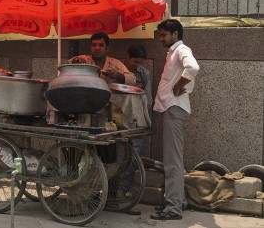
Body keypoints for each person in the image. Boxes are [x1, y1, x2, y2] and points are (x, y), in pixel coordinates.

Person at [150, 19, 199, 220]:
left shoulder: (181, 50)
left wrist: (178, 86)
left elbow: (193, 68)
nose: (161, 38)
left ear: (175, 35)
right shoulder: (173, 52)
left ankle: (173, 208)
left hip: (174, 109)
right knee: (173, 160)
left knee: (172, 162)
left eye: (164, 35)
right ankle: (179, 201)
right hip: (170, 110)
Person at [113, 44, 153, 215]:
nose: (136, 65)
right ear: (127, 56)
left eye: (139, 62)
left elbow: (148, 98)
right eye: (134, 61)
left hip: (136, 120)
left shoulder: (144, 74)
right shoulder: (117, 70)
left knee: (133, 156)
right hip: (117, 118)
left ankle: (123, 189)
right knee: (114, 154)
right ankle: (110, 189)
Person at [69, 32, 136, 85]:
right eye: (94, 45)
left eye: (101, 45)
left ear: (107, 48)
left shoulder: (115, 63)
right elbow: (71, 61)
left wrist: (119, 76)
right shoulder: (84, 59)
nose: (97, 48)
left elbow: (132, 79)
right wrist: (76, 60)